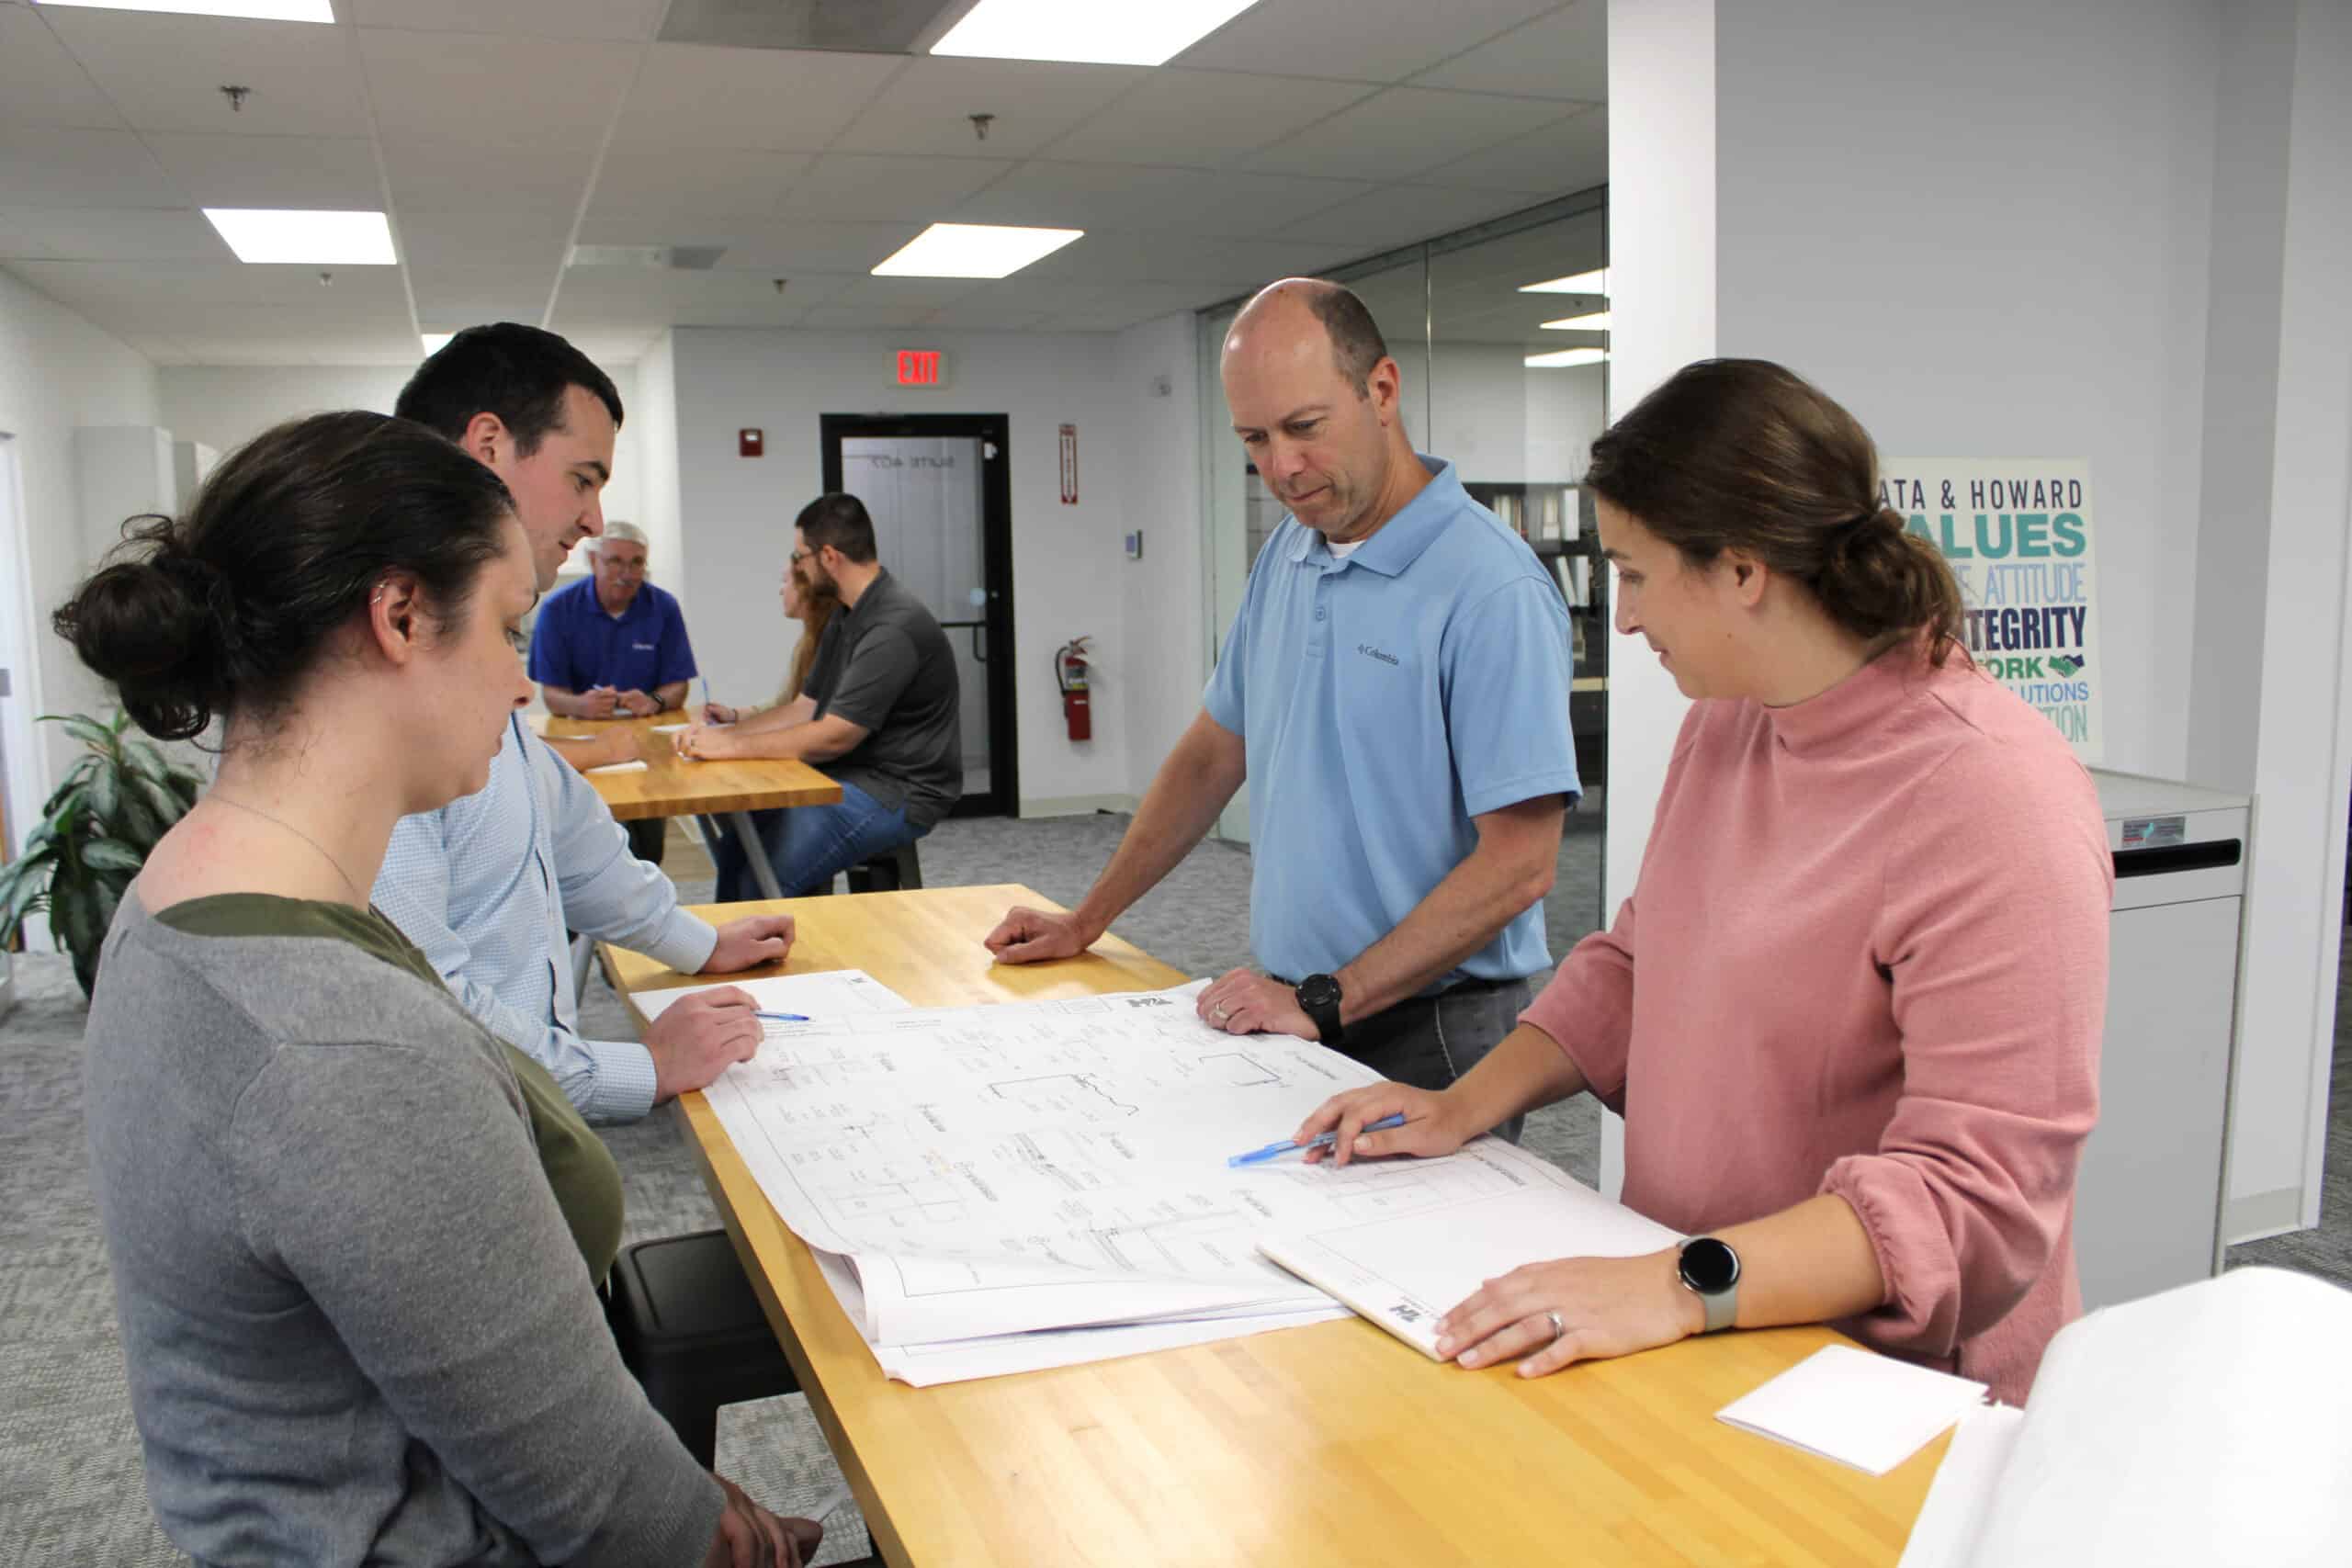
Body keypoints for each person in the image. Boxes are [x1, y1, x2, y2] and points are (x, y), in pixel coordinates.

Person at [62, 411, 820, 1566]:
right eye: (508, 630)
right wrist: (735, 1532)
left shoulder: (178, 898)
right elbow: (606, 1509)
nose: (522, 682)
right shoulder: (346, 1047)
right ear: (402, 617)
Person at [1295, 359, 2112, 1406]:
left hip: (1877, 1390)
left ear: (1740, 570)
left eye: (1634, 575)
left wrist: (1678, 1285)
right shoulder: (1731, 718)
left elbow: (1977, 1201)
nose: (1625, 618)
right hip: (1698, 1319)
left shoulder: (1995, 797)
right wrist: (1461, 1107)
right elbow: (1640, 962)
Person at [985, 279, 1578, 1126]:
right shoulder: (1290, 554)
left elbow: (1520, 864)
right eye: (1254, 439)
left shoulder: (1491, 587)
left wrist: (1330, 997)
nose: (1282, 469)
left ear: (1381, 390)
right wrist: (1088, 918)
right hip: (1304, 1004)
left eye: (1305, 427)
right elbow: (1213, 752)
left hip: (1432, 1028)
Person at [373, 323, 793, 1125]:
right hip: (467, 1129)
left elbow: (566, 837)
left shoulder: (454, 631)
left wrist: (699, 943)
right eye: (581, 479)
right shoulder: (381, 678)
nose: (595, 518)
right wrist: (637, 1069)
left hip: (523, 1122)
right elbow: (426, 1007)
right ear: (489, 448)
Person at [680, 493, 962, 898]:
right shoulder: (847, 615)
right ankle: (743, 934)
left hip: (896, 792)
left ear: (828, 556)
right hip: (850, 775)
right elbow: (803, 709)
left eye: (800, 557)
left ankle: (754, 931)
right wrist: (721, 737)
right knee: (739, 846)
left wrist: (730, 747)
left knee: (760, 879)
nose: (797, 568)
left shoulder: (892, 627)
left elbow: (835, 736)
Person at [528, 521, 698, 863]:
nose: (626, 573)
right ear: (593, 562)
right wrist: (581, 705)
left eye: (636, 563)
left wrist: (654, 701)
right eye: (615, 561)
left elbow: (678, 686)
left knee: (649, 847)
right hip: (582, 739)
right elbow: (552, 695)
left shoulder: (663, 607)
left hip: (648, 741)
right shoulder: (558, 609)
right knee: (600, 837)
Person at [702, 546, 841, 727]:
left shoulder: (831, 642)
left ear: (805, 587)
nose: (781, 590)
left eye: (785, 581)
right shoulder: (807, 641)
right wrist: (734, 715)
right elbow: (784, 703)